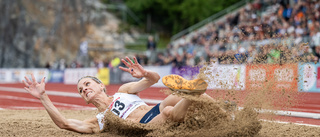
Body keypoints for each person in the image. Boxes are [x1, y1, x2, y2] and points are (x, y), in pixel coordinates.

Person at [22, 56, 215, 134]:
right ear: (84, 99)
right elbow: (64, 123)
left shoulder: (123, 91)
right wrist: (43, 96)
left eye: (87, 84)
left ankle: (223, 111)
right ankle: (190, 95)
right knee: (171, 111)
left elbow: (154, 79)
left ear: (101, 86)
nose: (84, 89)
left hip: (154, 109)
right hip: (146, 125)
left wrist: (145, 74)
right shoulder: (98, 121)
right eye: (81, 90)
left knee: (173, 96)